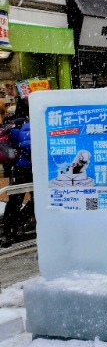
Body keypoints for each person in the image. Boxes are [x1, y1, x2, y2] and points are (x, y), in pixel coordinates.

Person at [1, 99, 33, 247]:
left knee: (15, 198)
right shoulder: (26, 123)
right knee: (37, 199)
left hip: (17, 166)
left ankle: (9, 230)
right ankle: (14, 226)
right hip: (28, 167)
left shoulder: (12, 122)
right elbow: (27, 145)